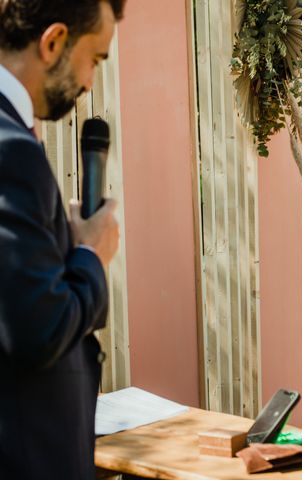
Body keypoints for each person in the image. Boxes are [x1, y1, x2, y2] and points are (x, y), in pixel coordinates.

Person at [0, 1, 125, 478]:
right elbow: (37, 330)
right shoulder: (12, 149)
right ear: (53, 42)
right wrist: (91, 252)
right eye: (95, 59)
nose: (91, 81)